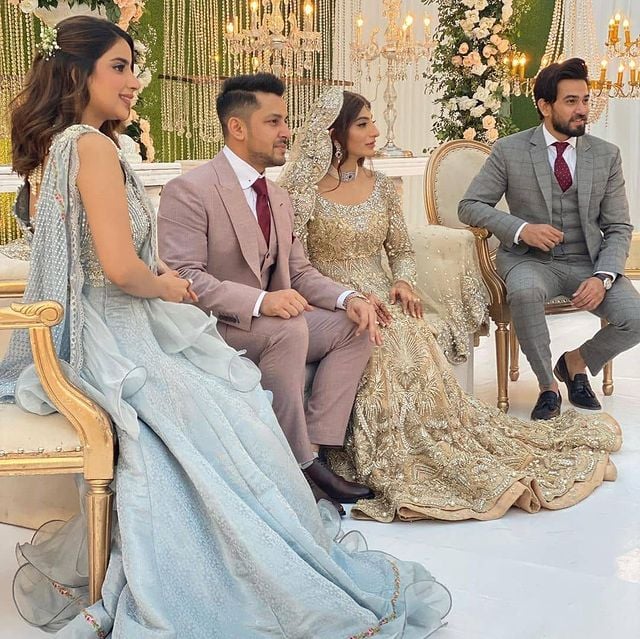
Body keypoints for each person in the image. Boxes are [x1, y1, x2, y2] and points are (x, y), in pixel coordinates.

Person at [0, 17, 452, 637]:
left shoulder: (66, 147)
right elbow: (120, 269)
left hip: (116, 323)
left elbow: (107, 255)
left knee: (235, 396)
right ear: (79, 74)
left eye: (133, 67)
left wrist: (346, 296)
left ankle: (305, 463)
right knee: (223, 407)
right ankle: (252, 540)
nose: (133, 81)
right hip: (123, 330)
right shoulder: (97, 149)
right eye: (119, 68)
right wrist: (168, 286)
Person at [278, 87, 622, 524]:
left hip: (383, 295)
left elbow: (400, 249)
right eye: (363, 124)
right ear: (335, 133)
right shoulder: (303, 192)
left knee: (409, 332)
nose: (375, 131)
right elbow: (296, 265)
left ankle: (433, 448)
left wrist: (403, 281)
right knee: (381, 342)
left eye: (373, 121)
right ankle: (347, 458)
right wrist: (343, 298)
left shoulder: (382, 187)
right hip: (331, 300)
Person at [158, 73, 378, 509]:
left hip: (269, 325)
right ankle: (296, 466)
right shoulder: (190, 190)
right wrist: (262, 301)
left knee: (354, 326)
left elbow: (299, 272)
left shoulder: (277, 196)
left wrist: (348, 298)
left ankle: (314, 449)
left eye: (286, 121)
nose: (287, 132)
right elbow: (184, 276)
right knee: (289, 328)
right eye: (274, 122)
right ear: (237, 127)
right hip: (212, 327)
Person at [459, 57, 640, 420]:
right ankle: (548, 386)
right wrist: (521, 229)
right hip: (530, 260)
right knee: (525, 293)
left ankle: (574, 363)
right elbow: (470, 206)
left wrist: (603, 277)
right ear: (544, 106)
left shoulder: (606, 155)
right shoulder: (509, 150)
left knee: (636, 318)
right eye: (571, 101)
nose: (582, 110)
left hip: (588, 261)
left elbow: (619, 226)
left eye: (585, 100)